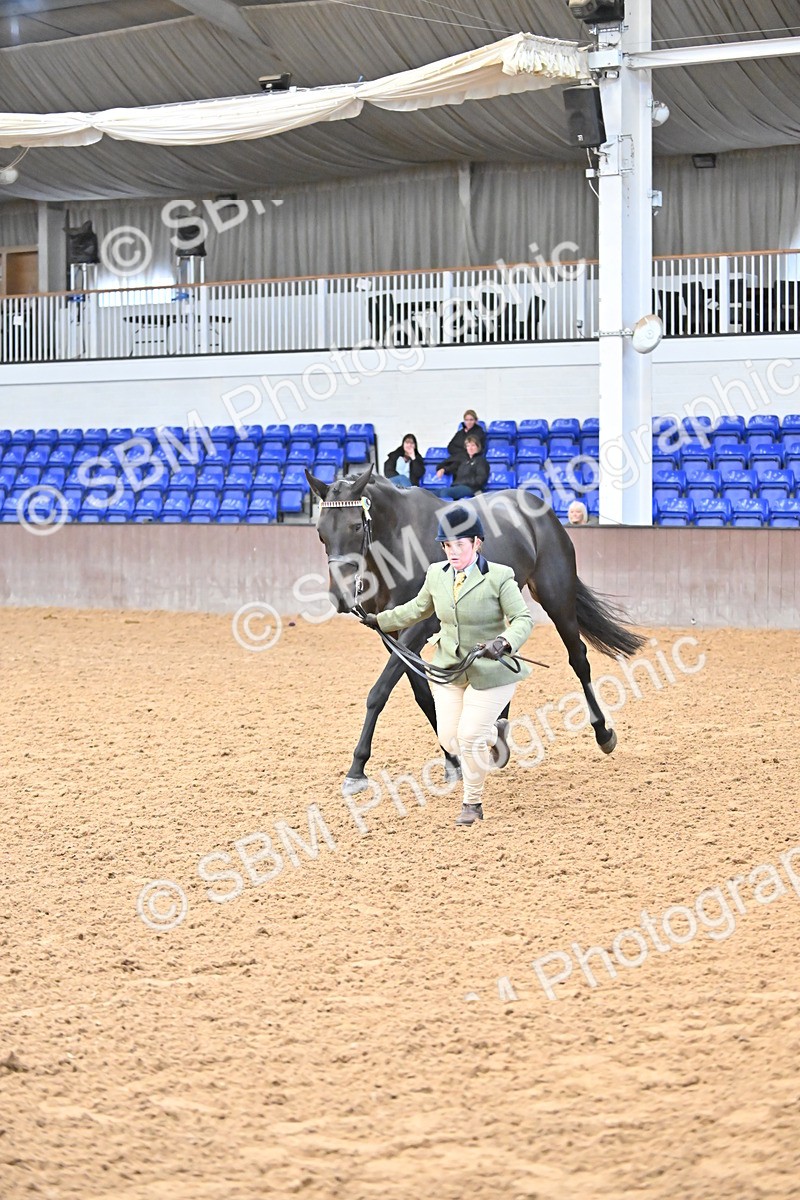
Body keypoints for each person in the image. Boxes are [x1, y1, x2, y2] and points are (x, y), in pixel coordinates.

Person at [360, 504, 534, 827]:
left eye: (460, 545)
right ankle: (492, 733)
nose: (452, 552)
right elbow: (415, 610)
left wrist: (505, 642)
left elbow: (523, 619)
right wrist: (379, 620)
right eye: (447, 546)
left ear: (477, 543)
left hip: (491, 670)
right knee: (450, 740)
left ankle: (472, 803)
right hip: (450, 669)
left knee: (467, 738)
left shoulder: (500, 577)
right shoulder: (436, 576)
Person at [436, 433, 489, 498]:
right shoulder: (464, 461)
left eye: (473, 445)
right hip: (457, 486)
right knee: (432, 493)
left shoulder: (481, 461)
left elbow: (481, 479)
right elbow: (453, 467)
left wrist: (465, 481)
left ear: (478, 447)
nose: (470, 448)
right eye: (468, 446)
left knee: (445, 492)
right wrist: (443, 469)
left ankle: (450, 508)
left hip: (471, 488)